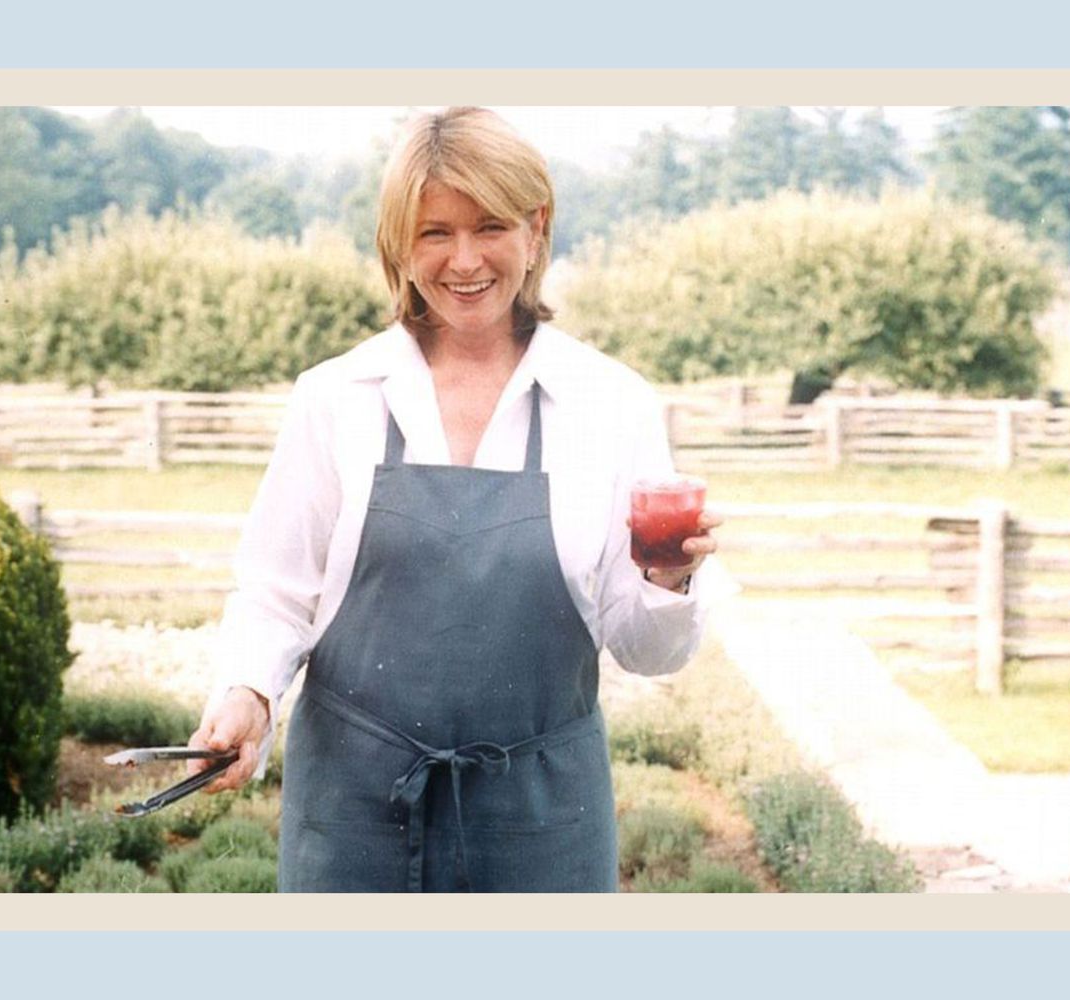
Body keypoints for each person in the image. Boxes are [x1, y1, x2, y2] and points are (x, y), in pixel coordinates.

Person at [188, 106, 721, 892]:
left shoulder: (610, 404)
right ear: (400, 242)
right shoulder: (337, 397)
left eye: (491, 226)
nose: (464, 260)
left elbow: (649, 651)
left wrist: (665, 579)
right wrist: (248, 693)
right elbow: (275, 593)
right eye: (435, 232)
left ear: (536, 229)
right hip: (355, 818)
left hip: (544, 827)